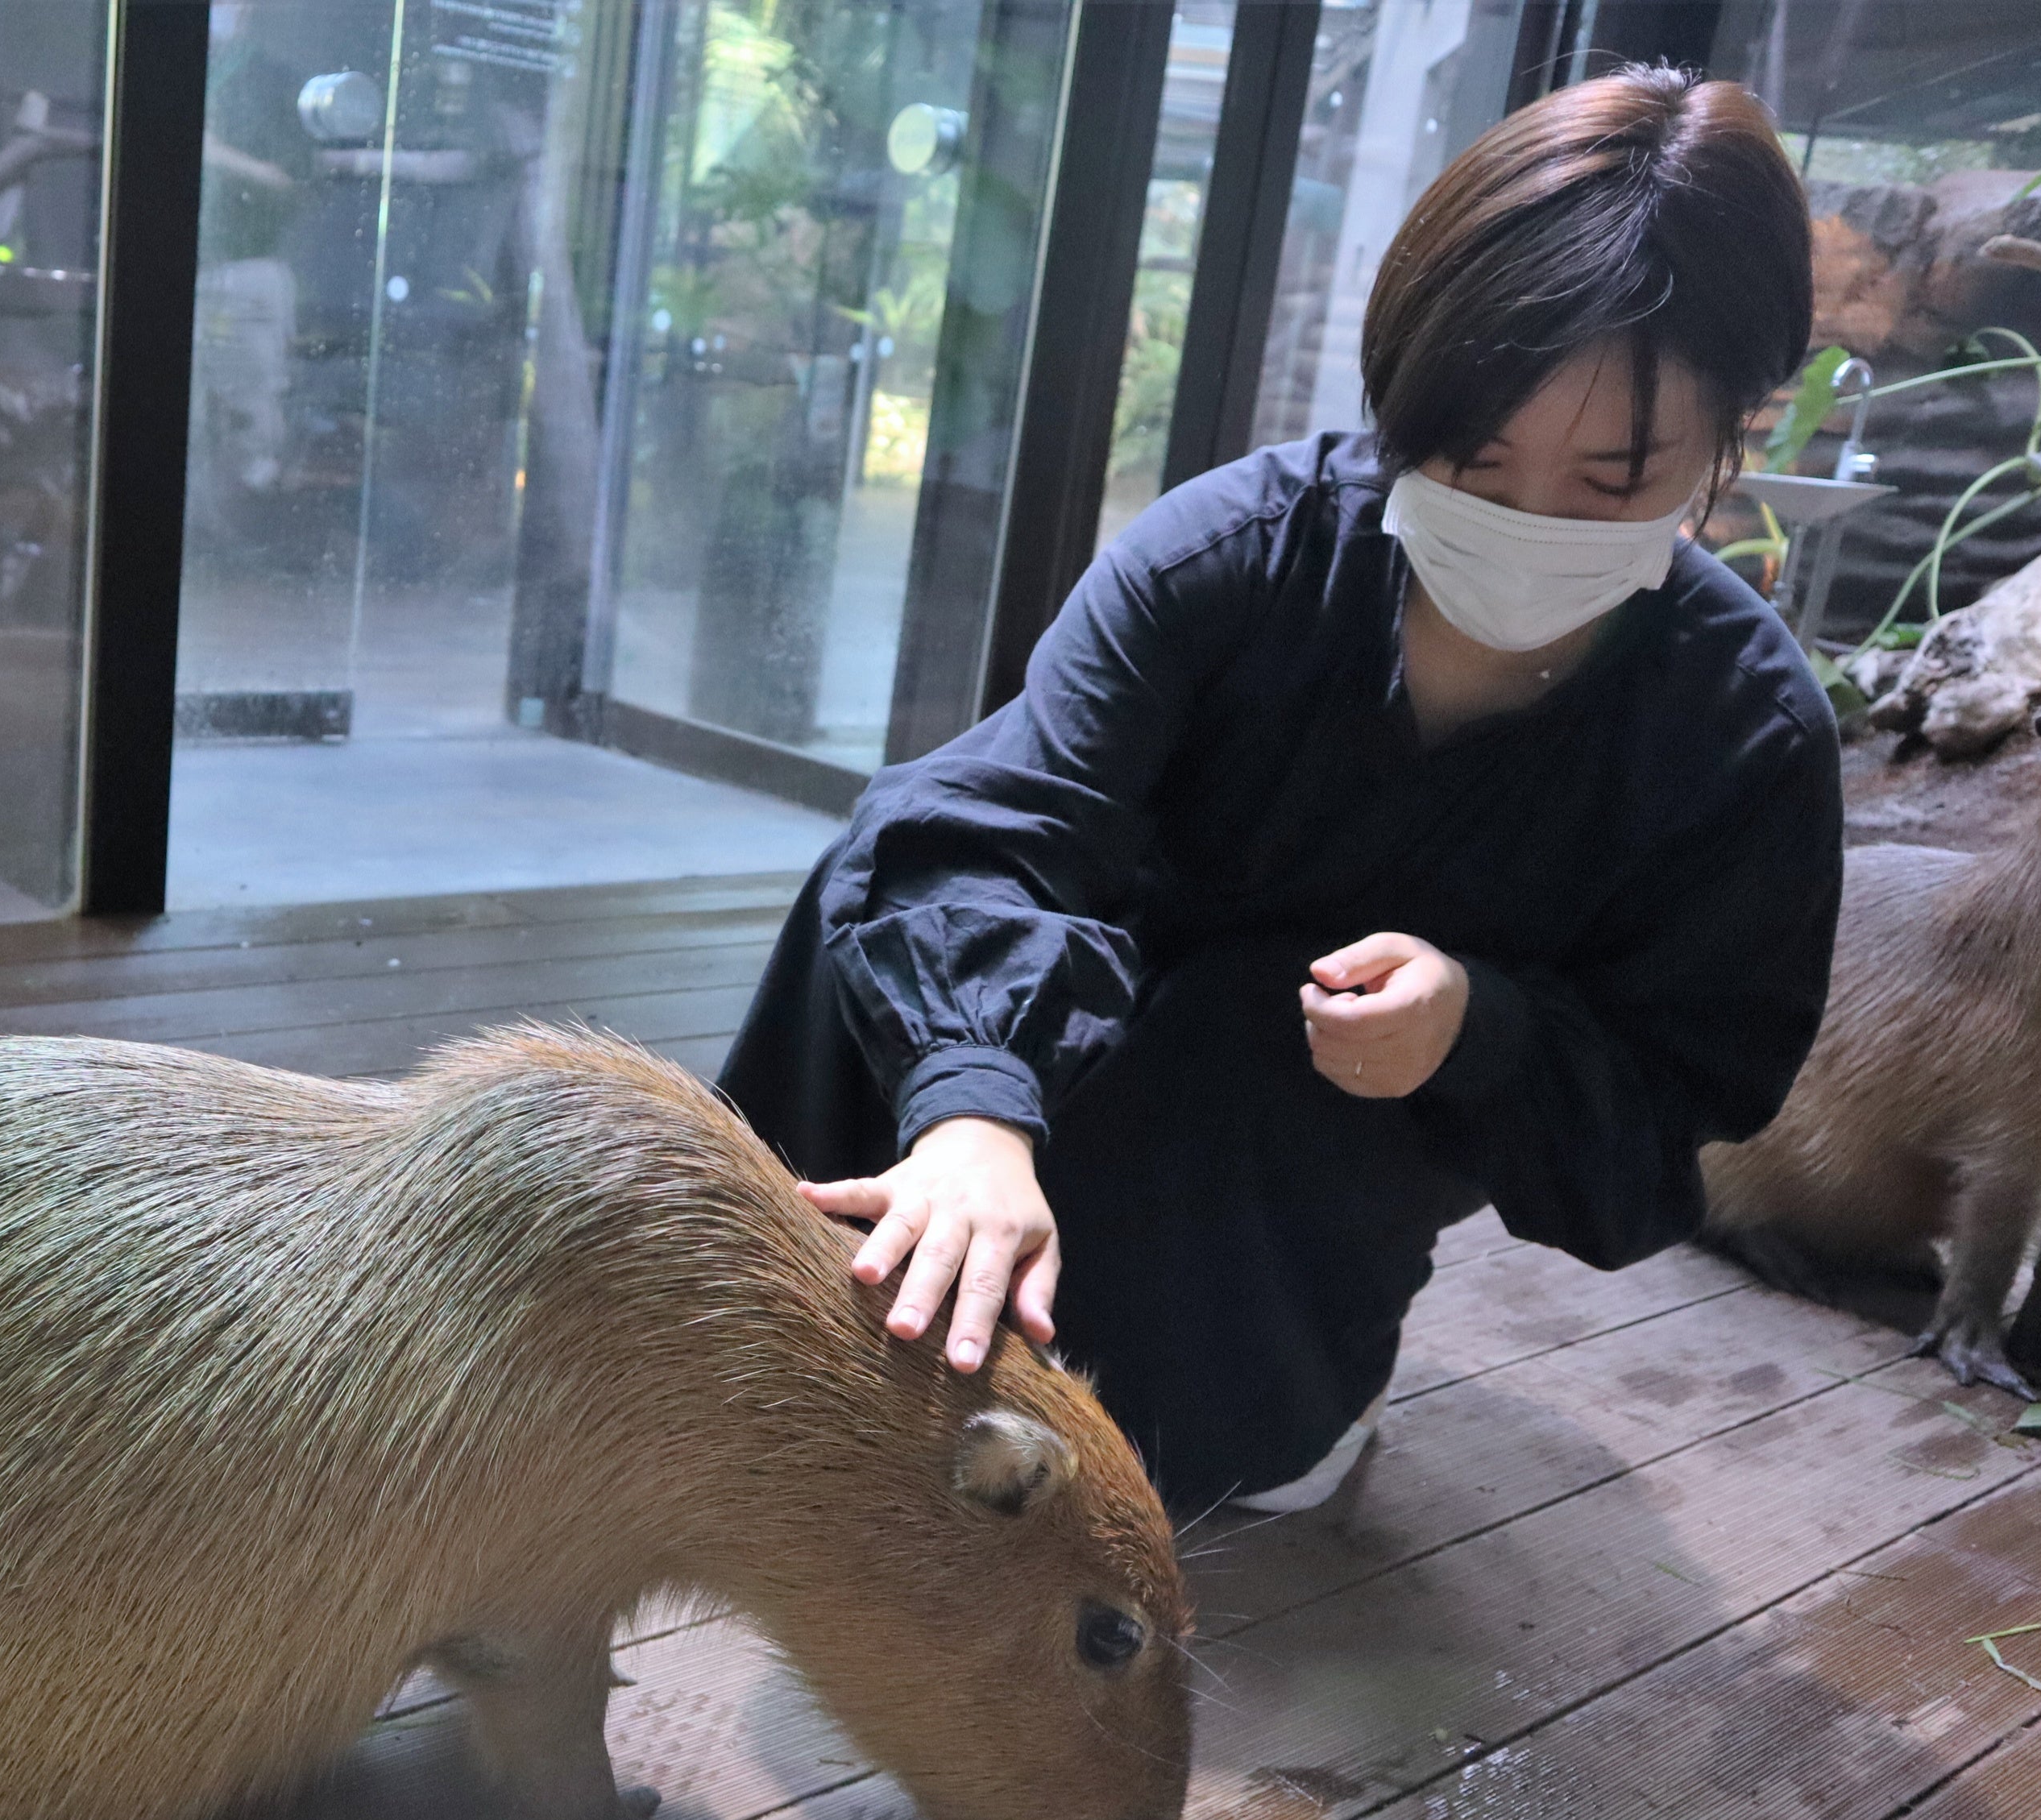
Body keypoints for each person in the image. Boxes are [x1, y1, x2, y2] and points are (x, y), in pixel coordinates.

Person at [717, 65, 1842, 1513]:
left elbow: (1671, 1109)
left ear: (1726, 438)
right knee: (877, 876)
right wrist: (973, 1110)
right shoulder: (1231, 555)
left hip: (1291, 1158)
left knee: (1246, 1083)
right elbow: (992, 831)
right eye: (1473, 458)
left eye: (1615, 483)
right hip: (1067, 1048)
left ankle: (1278, 1397)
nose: (1527, 525)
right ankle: (768, 1304)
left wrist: (1480, 1031)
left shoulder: (1741, 734)